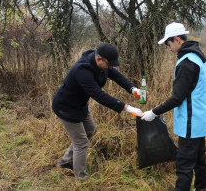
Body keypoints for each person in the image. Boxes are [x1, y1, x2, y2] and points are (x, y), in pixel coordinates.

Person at [52, 42, 143, 180]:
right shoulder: (81, 70)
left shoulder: (103, 64)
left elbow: (117, 76)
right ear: (99, 58)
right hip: (66, 107)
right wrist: (127, 108)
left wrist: (133, 89)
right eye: (109, 64)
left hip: (80, 104)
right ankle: (81, 178)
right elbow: (99, 95)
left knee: (91, 130)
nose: (110, 67)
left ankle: (66, 160)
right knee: (81, 142)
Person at [141, 22, 206, 191]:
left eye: (169, 44)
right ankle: (202, 188)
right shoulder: (197, 56)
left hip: (190, 122)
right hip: (200, 120)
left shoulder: (187, 63)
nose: (169, 48)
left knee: (184, 165)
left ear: (177, 40)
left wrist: (153, 112)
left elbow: (176, 99)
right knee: (200, 160)